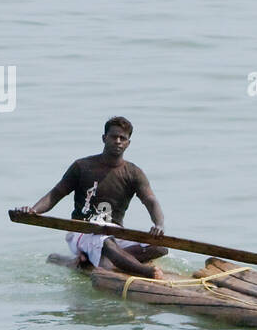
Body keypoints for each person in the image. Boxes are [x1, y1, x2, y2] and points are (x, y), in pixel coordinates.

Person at [15, 116, 168, 280]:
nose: (118, 141)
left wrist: (158, 224)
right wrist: (33, 211)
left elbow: (151, 201)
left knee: (160, 248)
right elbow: (55, 194)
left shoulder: (133, 173)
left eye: (122, 138)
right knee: (105, 242)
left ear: (128, 143)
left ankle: (89, 261)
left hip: (113, 231)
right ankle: (144, 271)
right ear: (104, 138)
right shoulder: (82, 166)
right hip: (83, 230)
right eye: (113, 136)